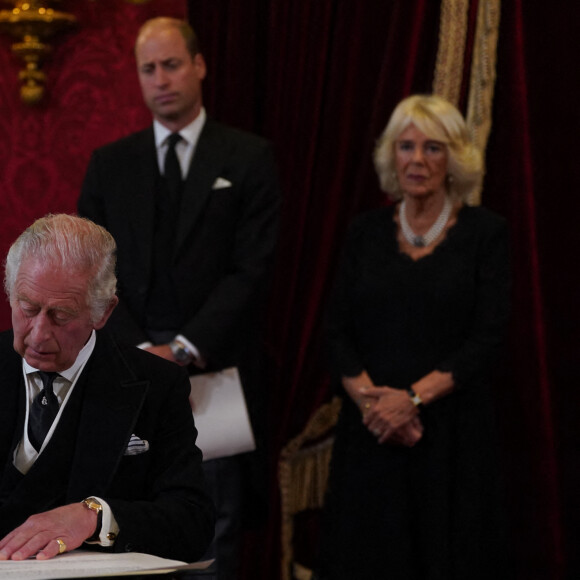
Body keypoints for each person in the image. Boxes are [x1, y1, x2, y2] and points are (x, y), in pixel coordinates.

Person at [78, 16, 280, 579]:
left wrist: (184, 350)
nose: (161, 78)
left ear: (199, 66)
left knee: (214, 541)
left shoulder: (248, 157)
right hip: (125, 379)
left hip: (214, 383)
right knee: (126, 537)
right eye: (149, 69)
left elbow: (252, 269)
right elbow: (91, 272)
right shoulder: (110, 164)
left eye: (171, 64)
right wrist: (142, 352)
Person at [317, 95, 510, 579]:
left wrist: (413, 401)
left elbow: (488, 337)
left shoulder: (487, 234)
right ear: (390, 157)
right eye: (406, 146)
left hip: (450, 436)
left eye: (432, 148)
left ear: (454, 160)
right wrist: (376, 407)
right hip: (372, 432)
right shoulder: (363, 233)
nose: (417, 160)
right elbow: (336, 330)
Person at [0, 214, 214, 563]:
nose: (38, 334)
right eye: (28, 308)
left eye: (61, 315)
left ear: (103, 312)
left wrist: (95, 517)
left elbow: (192, 522)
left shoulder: (157, 384)